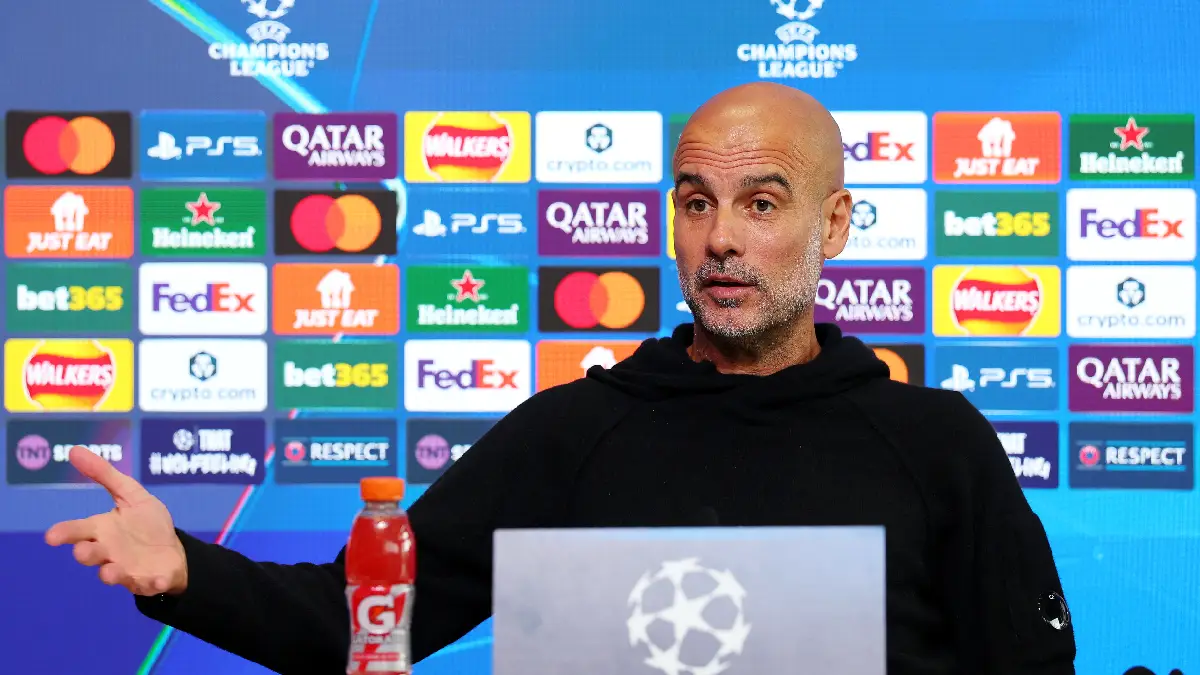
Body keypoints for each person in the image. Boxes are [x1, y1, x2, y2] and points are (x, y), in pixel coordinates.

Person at [45, 82, 1076, 675]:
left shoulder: (936, 441)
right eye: (693, 202)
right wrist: (183, 569)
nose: (720, 240)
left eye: (763, 205)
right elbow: (367, 623)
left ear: (835, 225)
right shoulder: (573, 431)